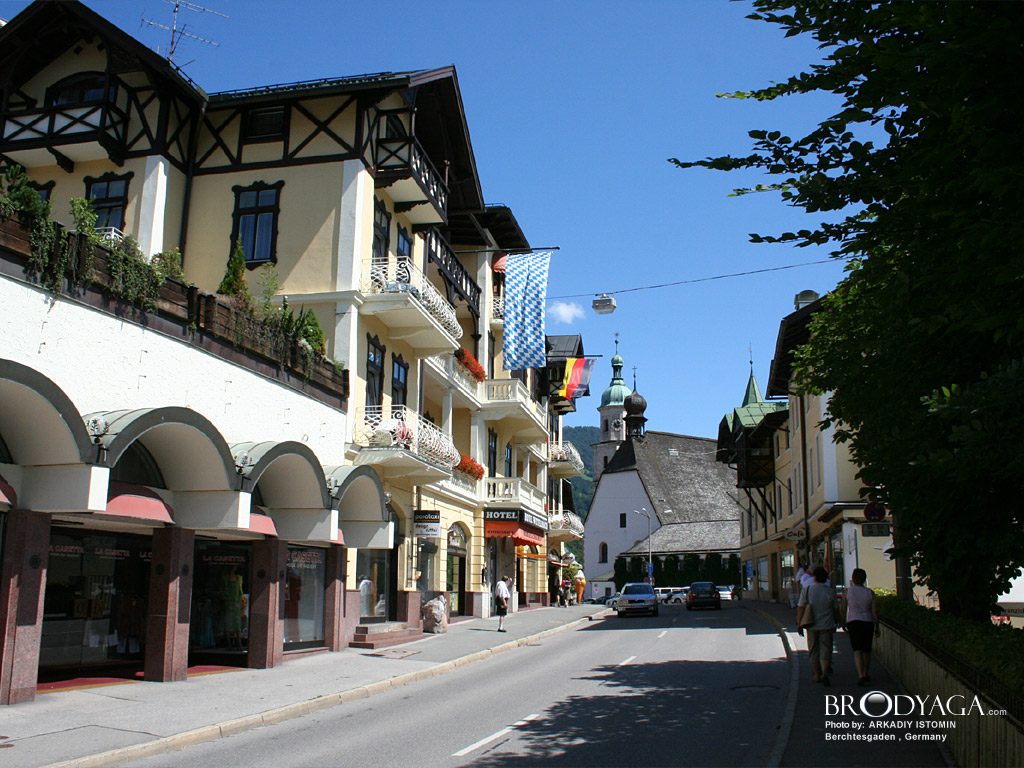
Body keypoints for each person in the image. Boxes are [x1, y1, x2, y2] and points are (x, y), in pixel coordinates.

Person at [797, 565, 838, 686]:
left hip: (811, 624)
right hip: (827, 625)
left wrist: (799, 623)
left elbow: (800, 608)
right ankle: (825, 672)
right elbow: (835, 609)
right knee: (826, 649)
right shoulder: (830, 591)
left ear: (814, 578)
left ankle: (816, 674)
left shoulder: (807, 590)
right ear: (825, 579)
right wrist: (837, 622)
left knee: (813, 649)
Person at [841, 568, 880, 686]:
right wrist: (877, 626)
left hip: (853, 621)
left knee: (857, 649)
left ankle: (860, 674)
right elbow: (874, 611)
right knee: (867, 650)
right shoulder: (870, 593)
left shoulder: (848, 592)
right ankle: (866, 673)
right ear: (864, 578)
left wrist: (843, 622)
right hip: (867, 622)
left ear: (853, 578)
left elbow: (843, 608)